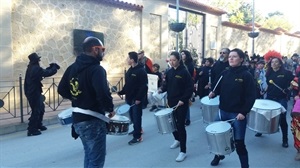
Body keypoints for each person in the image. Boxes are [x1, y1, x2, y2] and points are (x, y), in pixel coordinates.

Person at [57, 36, 116, 168]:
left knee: (89, 155)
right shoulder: (97, 70)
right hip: (93, 121)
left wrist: (77, 97)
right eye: (102, 49)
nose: (103, 52)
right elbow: (103, 93)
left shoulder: (72, 68)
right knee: (96, 160)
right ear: (95, 49)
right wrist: (110, 109)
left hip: (78, 119)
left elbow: (61, 89)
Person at [208, 48, 256, 168]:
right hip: (222, 112)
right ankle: (219, 155)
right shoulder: (224, 73)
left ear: (241, 59)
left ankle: (245, 166)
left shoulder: (246, 75)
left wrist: (243, 112)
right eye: (230, 56)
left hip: (237, 114)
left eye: (234, 56)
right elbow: (217, 87)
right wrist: (213, 92)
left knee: (239, 143)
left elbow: (251, 97)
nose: (231, 58)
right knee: (217, 137)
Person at [159, 51, 193, 162]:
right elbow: (166, 85)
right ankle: (177, 139)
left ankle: (183, 151)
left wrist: (183, 100)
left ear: (179, 60)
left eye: (174, 60)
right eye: (170, 60)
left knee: (180, 126)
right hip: (170, 102)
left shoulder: (184, 72)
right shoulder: (169, 72)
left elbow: (189, 88)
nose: (172, 62)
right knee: (171, 124)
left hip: (180, 103)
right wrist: (160, 89)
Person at [24, 53, 60, 136]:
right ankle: (32, 129)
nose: (39, 61)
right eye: (38, 60)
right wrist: (54, 68)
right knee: (36, 110)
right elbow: (46, 73)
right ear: (36, 61)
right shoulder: (35, 68)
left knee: (41, 108)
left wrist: (51, 68)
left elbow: (43, 72)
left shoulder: (32, 67)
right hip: (33, 92)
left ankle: (38, 124)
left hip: (33, 91)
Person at [264, 50, 294, 148]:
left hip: (281, 99)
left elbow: (294, 84)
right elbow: (269, 85)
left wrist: (288, 89)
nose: (274, 64)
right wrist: (264, 90)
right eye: (272, 62)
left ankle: (285, 139)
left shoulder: (287, 73)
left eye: (276, 62)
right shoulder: (268, 73)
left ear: (280, 64)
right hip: (269, 98)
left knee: (282, 119)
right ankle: (260, 130)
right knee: (265, 115)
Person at [118, 51, 148, 145]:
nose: (126, 60)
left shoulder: (141, 70)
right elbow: (128, 84)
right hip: (129, 98)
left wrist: (139, 98)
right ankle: (138, 129)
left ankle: (137, 136)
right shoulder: (130, 70)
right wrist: (122, 91)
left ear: (132, 60)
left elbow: (144, 86)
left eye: (128, 58)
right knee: (132, 116)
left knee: (136, 116)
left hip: (136, 99)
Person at [180, 49, 195, 126]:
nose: (182, 55)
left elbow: (189, 75)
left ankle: (187, 119)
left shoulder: (190, 64)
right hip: (181, 85)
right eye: (181, 54)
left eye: (183, 54)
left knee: (186, 102)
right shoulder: (181, 63)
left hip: (187, 84)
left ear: (187, 55)